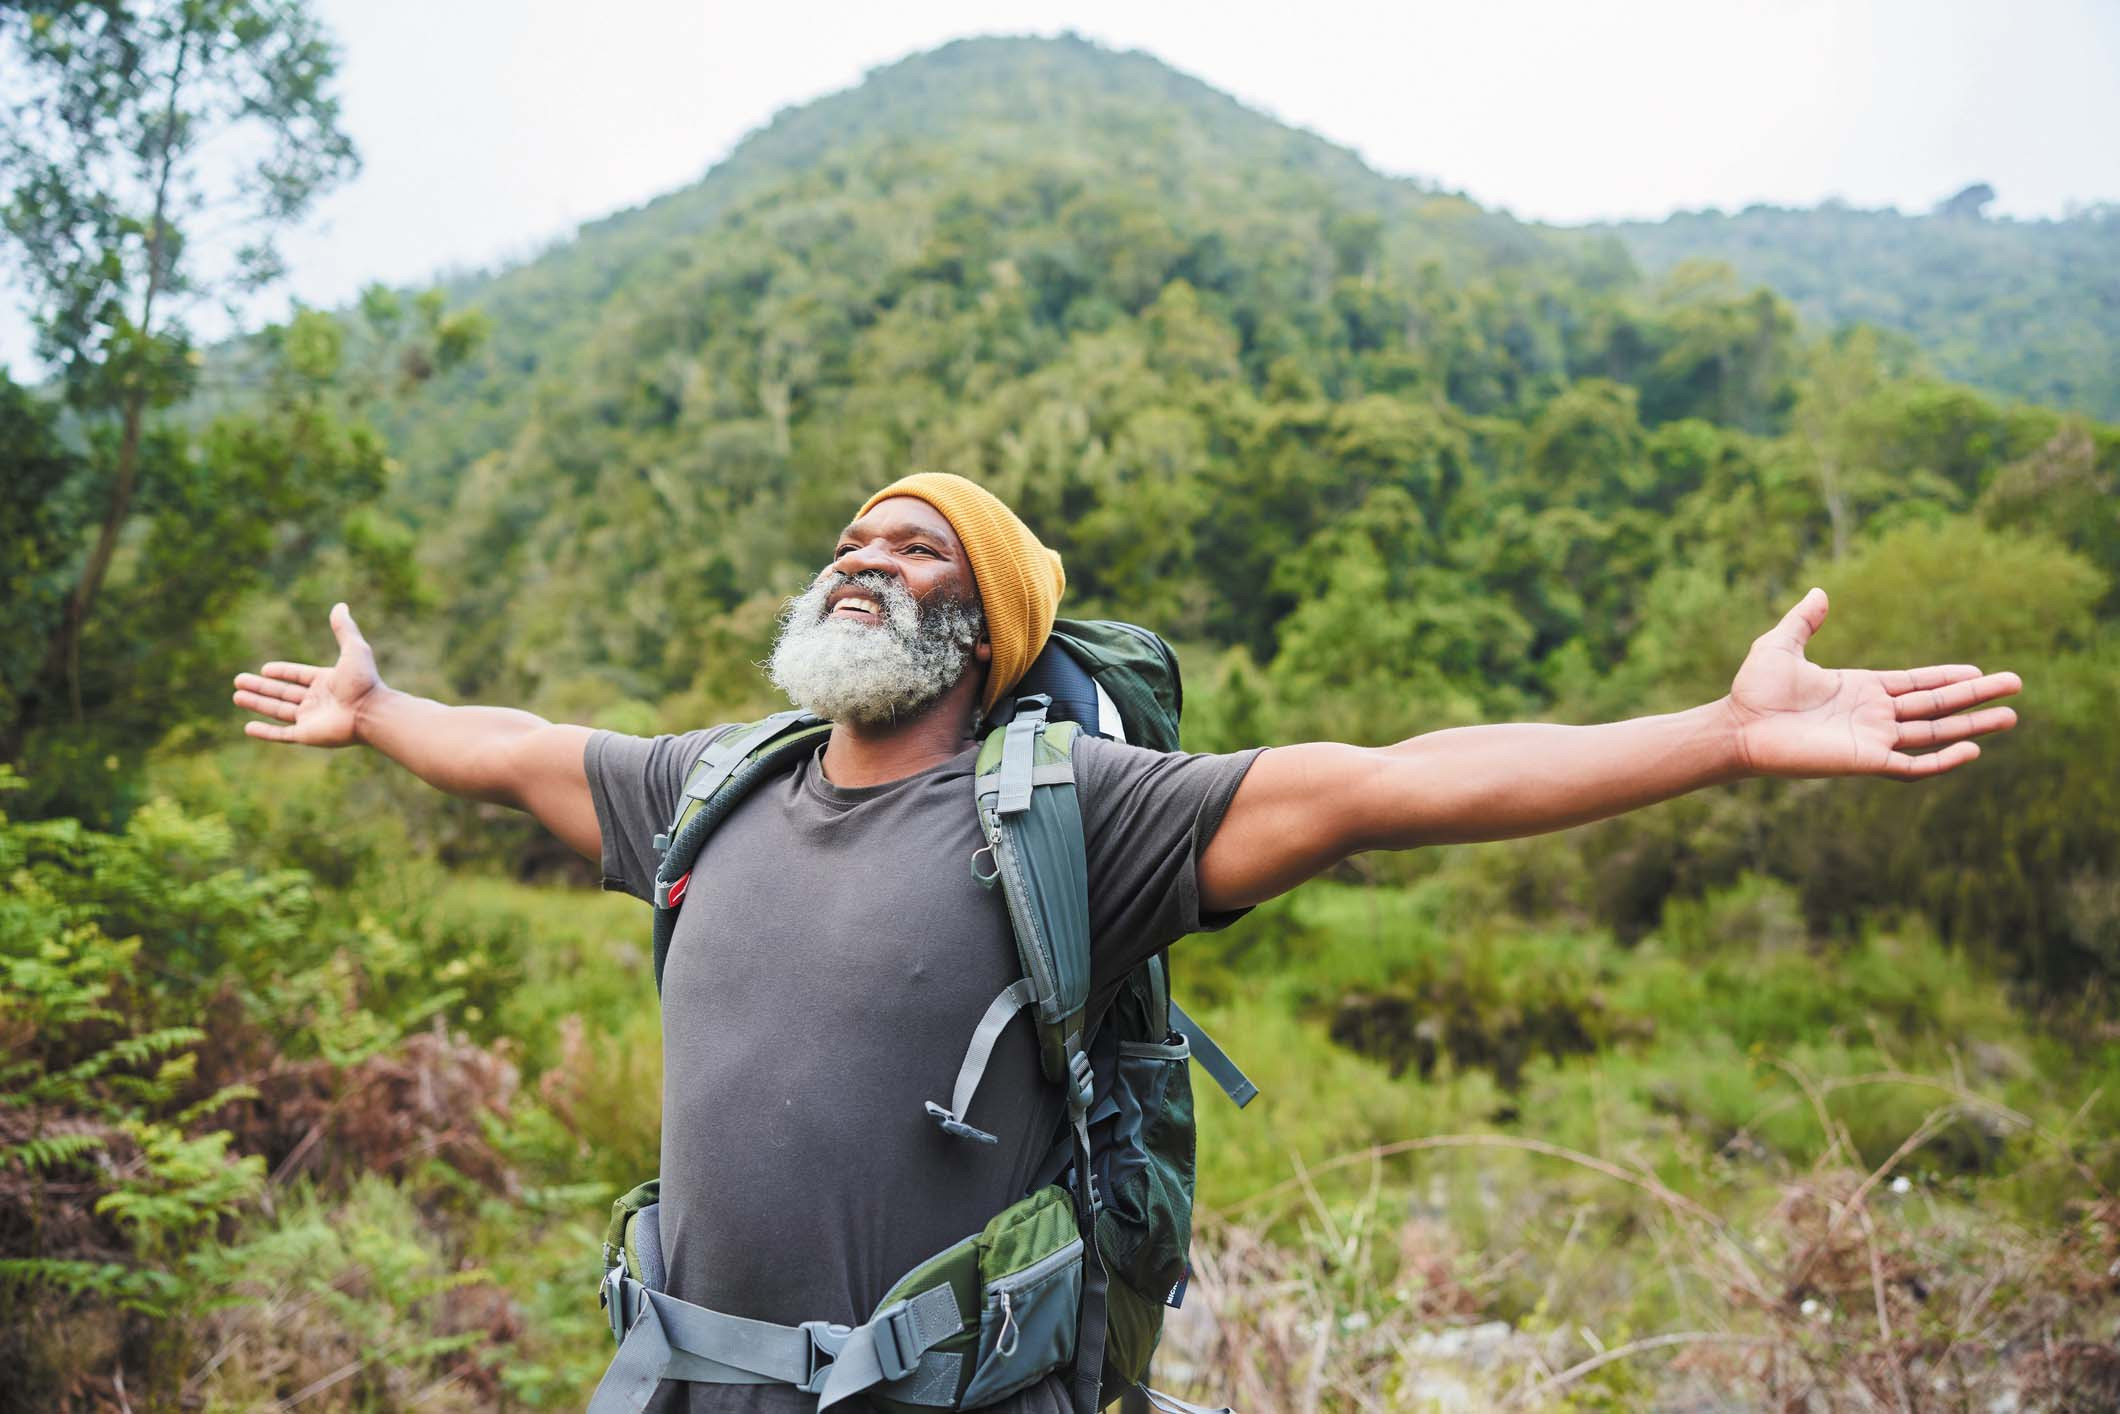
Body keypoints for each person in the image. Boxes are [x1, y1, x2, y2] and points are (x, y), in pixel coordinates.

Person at [233, 473, 2022, 1413]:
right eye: (853, 538)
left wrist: (1716, 732)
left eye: (917, 547)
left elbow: (1400, 781)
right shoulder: (711, 785)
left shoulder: (1081, 808)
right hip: (683, 1387)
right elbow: (522, 748)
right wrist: (383, 711)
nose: (866, 558)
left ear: (990, 621)